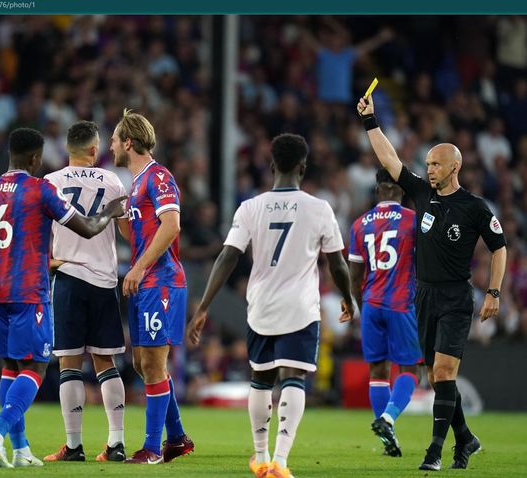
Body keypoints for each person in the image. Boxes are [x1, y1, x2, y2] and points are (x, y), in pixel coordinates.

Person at [187, 133, 355, 478]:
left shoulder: (250, 207)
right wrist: (349, 297)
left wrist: (204, 305)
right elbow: (337, 263)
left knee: (260, 379)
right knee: (293, 377)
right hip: (300, 306)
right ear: (303, 167)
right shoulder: (320, 207)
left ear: (272, 164)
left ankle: (261, 457)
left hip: (261, 304)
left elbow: (227, 257)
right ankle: (279, 462)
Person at [357, 95, 507, 471]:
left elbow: (499, 248)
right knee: (439, 377)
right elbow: (390, 160)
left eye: (436, 164)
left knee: (442, 372)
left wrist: (493, 291)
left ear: (455, 166)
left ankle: (435, 451)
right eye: (427, 164)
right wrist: (370, 120)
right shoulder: (422, 193)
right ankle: (467, 440)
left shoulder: (474, 207)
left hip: (456, 296)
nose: (430, 169)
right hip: (422, 296)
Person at [0, 127, 125, 468]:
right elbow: (87, 226)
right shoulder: (41, 189)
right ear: (36, 158)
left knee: (11, 366)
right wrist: (111, 211)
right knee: (38, 365)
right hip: (31, 289)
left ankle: (22, 449)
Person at [42, 120, 130, 463]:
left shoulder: (51, 182)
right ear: (94, 150)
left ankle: (74, 446)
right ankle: (116, 443)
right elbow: (125, 230)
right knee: (106, 362)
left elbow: (37, 230)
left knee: (69, 363)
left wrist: (46, 260)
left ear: (68, 149)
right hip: (105, 280)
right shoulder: (112, 180)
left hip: (67, 277)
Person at [109, 110, 194, 464]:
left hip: (160, 281)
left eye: (114, 139)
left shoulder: (158, 177)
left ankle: (151, 448)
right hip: (146, 282)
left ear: (128, 143)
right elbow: (137, 234)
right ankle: (176, 438)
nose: (111, 145)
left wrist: (139, 268)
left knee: (154, 365)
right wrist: (120, 215)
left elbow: (171, 225)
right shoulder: (137, 184)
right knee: (143, 364)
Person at [348, 169, 421, 457]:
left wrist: (360, 306)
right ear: (401, 189)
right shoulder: (413, 222)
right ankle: (387, 418)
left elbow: (354, 276)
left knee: (378, 370)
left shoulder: (359, 224)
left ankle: (388, 441)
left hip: (370, 304)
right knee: (411, 368)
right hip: (401, 303)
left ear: (377, 190)